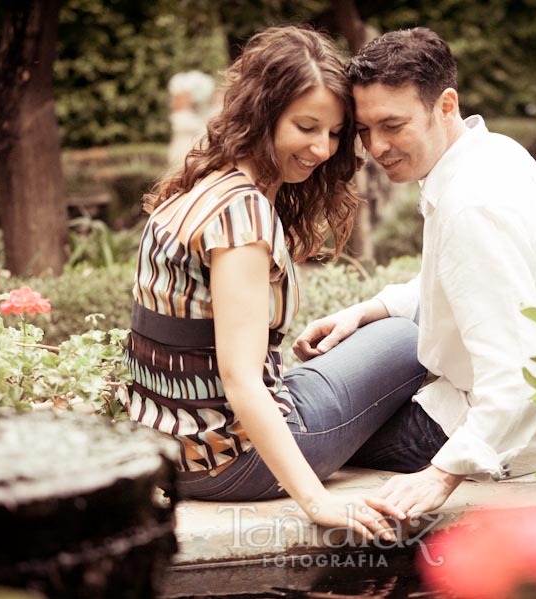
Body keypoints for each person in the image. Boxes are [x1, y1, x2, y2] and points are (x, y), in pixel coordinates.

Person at [121, 25, 426, 541]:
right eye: (306, 127)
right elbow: (240, 380)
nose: (323, 149)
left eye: (333, 133)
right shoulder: (243, 215)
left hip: (174, 450)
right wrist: (318, 502)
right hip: (234, 461)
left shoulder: (198, 190)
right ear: (263, 116)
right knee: (407, 338)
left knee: (375, 343)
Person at [294, 27, 536, 519]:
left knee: (306, 438)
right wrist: (369, 310)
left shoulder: (470, 207)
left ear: (446, 105)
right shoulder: (495, 151)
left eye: (393, 125)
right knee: (365, 367)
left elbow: (517, 374)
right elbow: (470, 282)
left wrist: (441, 475)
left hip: (510, 437)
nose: (377, 146)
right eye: (366, 130)